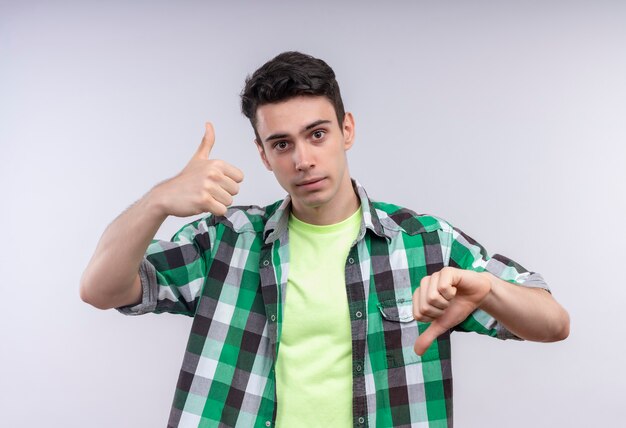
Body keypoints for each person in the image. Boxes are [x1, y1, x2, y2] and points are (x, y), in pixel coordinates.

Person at [80, 51, 569, 428]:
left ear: (346, 129)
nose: (303, 160)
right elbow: (101, 289)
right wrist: (157, 201)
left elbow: (553, 322)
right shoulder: (228, 240)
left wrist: (489, 289)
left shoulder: (425, 243)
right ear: (263, 154)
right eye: (282, 143)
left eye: (317, 134)